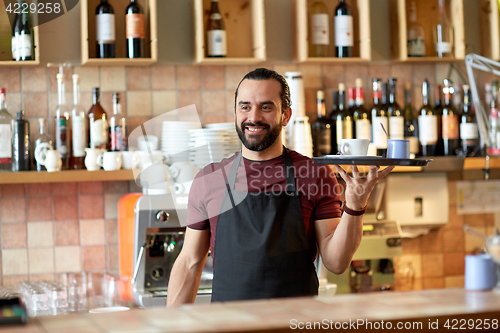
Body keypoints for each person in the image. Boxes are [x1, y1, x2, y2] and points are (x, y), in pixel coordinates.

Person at [166, 68, 394, 305]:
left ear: (286, 116)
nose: (253, 117)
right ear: (236, 113)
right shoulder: (210, 180)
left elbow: (337, 263)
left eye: (266, 107)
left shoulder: (314, 175)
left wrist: (355, 207)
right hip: (228, 326)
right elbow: (190, 263)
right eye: (245, 107)